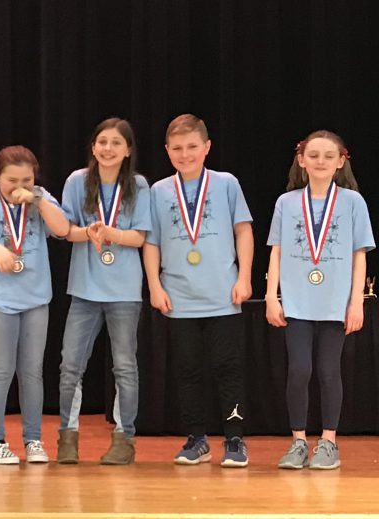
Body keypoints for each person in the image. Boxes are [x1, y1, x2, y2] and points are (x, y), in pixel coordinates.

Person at [143, 114, 254, 467]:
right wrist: (155, 285)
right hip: (179, 296)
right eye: (177, 148)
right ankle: (196, 438)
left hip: (223, 294)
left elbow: (243, 231)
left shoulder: (225, 184)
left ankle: (234, 440)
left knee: (228, 367)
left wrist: (245, 277)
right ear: (167, 151)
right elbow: (151, 242)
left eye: (192, 147)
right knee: (188, 369)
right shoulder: (158, 191)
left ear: (207, 147)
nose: (185, 154)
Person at [266, 131, 374, 470]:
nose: (321, 162)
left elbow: (360, 254)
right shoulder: (286, 203)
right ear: (301, 160)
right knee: (299, 370)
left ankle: (328, 443)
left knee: (329, 371)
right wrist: (272, 296)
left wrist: (356, 301)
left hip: (335, 303)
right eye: (314, 155)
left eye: (329, 156)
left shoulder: (353, 202)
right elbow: (277, 251)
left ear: (341, 161)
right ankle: (298, 442)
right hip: (297, 302)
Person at [0, 145, 70, 464]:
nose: (19, 185)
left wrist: (37, 198)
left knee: (33, 371)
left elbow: (61, 230)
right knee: (1, 368)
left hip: (35, 297)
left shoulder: (40, 197)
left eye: (27, 179)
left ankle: (33, 440)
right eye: (12, 179)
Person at [57, 118, 151, 465]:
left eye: (115, 143)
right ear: (93, 148)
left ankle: (124, 439)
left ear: (127, 151)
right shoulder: (77, 182)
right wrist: (88, 233)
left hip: (124, 292)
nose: (107, 149)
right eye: (101, 142)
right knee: (70, 366)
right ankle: (67, 437)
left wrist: (108, 232)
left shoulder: (139, 185)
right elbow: (66, 229)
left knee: (125, 367)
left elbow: (140, 237)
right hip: (84, 290)